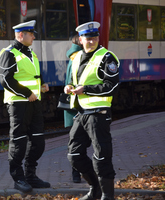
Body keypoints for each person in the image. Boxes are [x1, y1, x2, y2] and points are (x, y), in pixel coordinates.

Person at [64, 21, 120, 200]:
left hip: (98, 114)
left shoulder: (107, 57)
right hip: (81, 113)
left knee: (101, 156)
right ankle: (95, 189)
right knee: (74, 154)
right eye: (88, 38)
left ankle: (107, 196)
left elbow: (112, 87)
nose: (92, 41)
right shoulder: (77, 57)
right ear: (80, 40)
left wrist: (85, 89)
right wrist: (69, 87)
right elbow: (76, 81)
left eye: (95, 37)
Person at [0, 20, 50, 193]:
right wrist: (27, 93)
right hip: (18, 104)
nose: (34, 37)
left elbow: (33, 76)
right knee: (18, 143)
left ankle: (30, 176)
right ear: (21, 35)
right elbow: (6, 80)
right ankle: (18, 178)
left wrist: (42, 85)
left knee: (38, 142)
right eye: (31, 34)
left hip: (34, 103)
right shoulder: (8, 53)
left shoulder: (31, 54)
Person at [65, 34, 83, 184]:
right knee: (78, 143)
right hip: (78, 108)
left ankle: (77, 173)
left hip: (74, 108)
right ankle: (76, 174)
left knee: (76, 143)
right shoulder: (78, 57)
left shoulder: (73, 56)